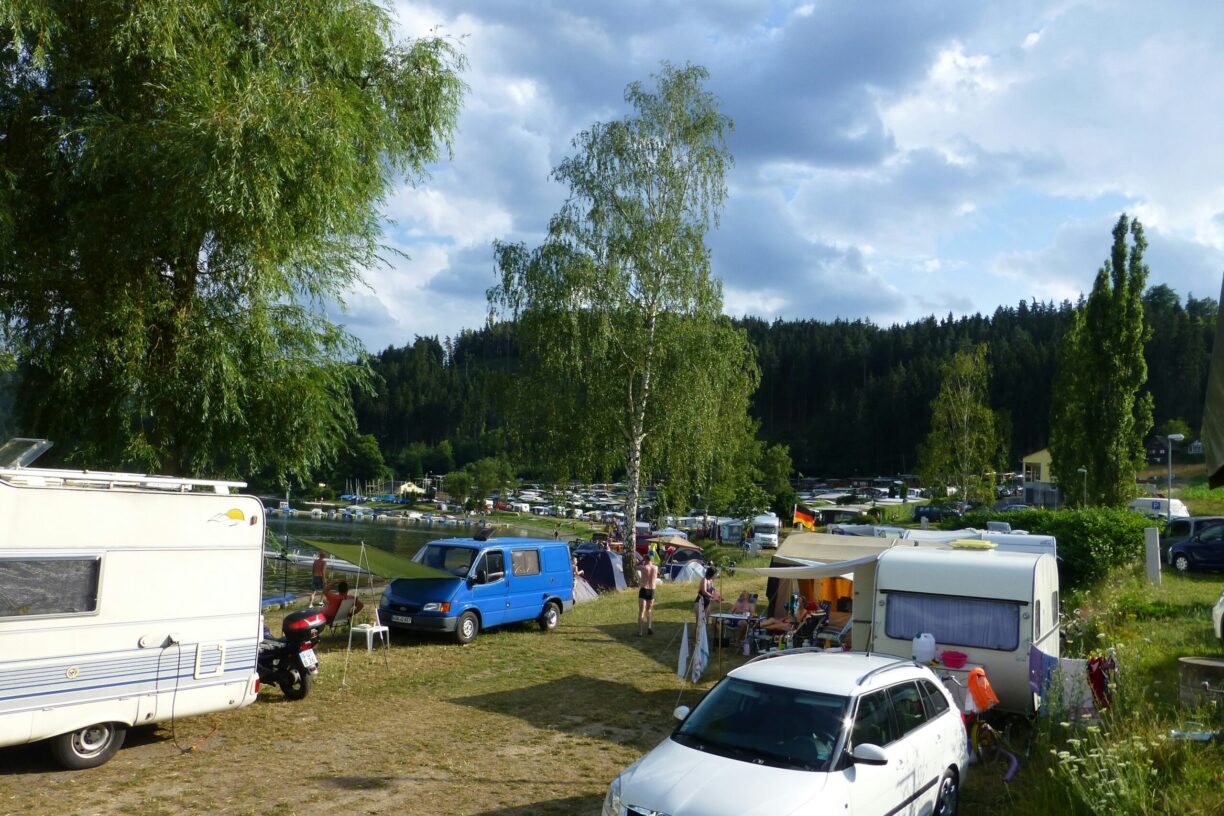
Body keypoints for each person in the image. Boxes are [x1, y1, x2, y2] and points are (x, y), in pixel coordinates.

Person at [637, 554, 659, 636]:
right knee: (649, 610)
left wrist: (641, 561)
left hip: (644, 589)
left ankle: (640, 632)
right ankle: (649, 626)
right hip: (652, 590)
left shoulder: (643, 567)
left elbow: (634, 566)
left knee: (641, 611)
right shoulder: (655, 568)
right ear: (651, 560)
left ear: (645, 559)